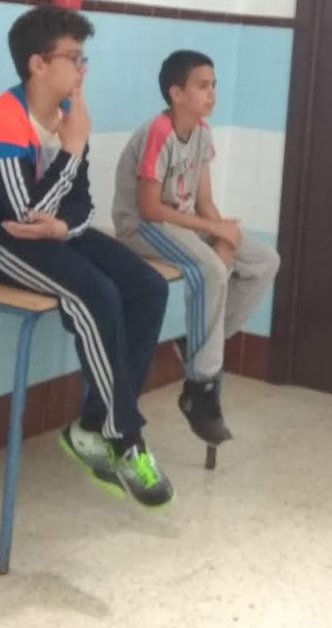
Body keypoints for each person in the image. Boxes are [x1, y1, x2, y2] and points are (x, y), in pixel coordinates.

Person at [0, 6, 173, 507]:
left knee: (147, 287)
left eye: (84, 58)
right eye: (74, 57)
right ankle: (124, 437)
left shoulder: (69, 116)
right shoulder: (0, 121)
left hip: (50, 234)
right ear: (37, 64)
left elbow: (79, 202)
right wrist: (71, 149)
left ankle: (92, 426)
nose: (83, 68)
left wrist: (67, 225)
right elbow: (23, 215)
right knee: (95, 294)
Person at [112, 50, 280, 445]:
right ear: (176, 93)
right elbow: (151, 209)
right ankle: (201, 389)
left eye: (214, 85)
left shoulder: (203, 131)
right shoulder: (159, 131)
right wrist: (214, 232)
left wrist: (222, 236)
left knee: (265, 261)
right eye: (203, 86)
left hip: (183, 225)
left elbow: (204, 201)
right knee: (211, 270)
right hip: (143, 227)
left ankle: (196, 344)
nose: (212, 94)